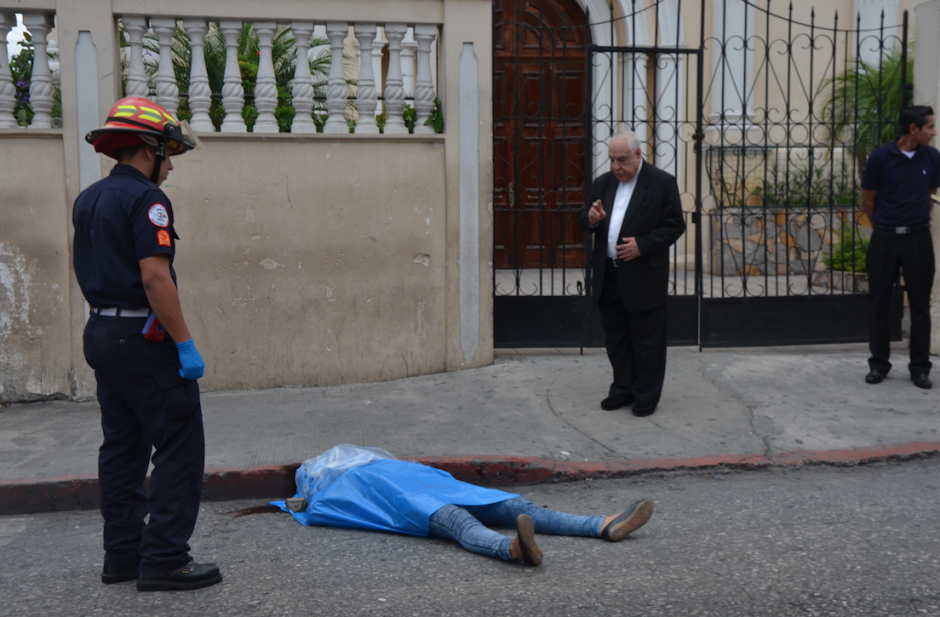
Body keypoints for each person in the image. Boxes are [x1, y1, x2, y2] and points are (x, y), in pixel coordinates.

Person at [73, 96, 221, 591]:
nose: (172, 163)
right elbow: (156, 278)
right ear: (147, 149)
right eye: (168, 152)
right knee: (180, 444)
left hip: (101, 332)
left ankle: (123, 557)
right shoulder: (147, 200)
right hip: (143, 336)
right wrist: (185, 343)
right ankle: (164, 560)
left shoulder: (89, 198)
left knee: (122, 447)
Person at [274, 445, 654, 566]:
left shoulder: (367, 466)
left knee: (512, 505)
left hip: (430, 493)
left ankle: (603, 524)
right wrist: (301, 502)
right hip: (414, 504)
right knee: (466, 520)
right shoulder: (327, 493)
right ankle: (514, 548)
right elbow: (322, 510)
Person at [577, 132, 685, 417]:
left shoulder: (661, 183)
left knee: (646, 339)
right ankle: (622, 389)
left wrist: (643, 245)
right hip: (608, 275)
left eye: (621, 160)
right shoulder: (603, 183)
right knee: (616, 337)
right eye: (612, 159)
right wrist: (590, 218)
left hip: (643, 276)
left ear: (638, 155)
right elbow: (583, 217)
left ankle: (646, 394)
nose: (615, 166)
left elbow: (674, 225)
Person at [862, 105, 940, 390]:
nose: (933, 132)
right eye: (930, 127)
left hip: (918, 239)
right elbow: (868, 200)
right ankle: (879, 365)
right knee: (880, 303)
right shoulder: (881, 157)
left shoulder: (932, 157)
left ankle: (920, 369)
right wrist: (885, 227)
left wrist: (914, 221)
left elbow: (930, 193)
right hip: (885, 239)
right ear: (913, 129)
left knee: (920, 306)